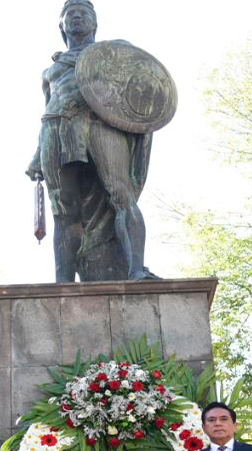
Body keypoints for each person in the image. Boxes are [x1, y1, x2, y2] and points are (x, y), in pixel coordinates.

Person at [25, 0, 157, 282]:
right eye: (70, 14)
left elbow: (141, 83)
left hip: (101, 123)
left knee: (121, 194)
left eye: (84, 14)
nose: (77, 18)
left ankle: (137, 270)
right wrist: (37, 155)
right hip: (57, 130)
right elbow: (47, 108)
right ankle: (63, 283)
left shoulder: (113, 51)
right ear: (61, 25)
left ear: (95, 23)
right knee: (63, 208)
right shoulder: (51, 70)